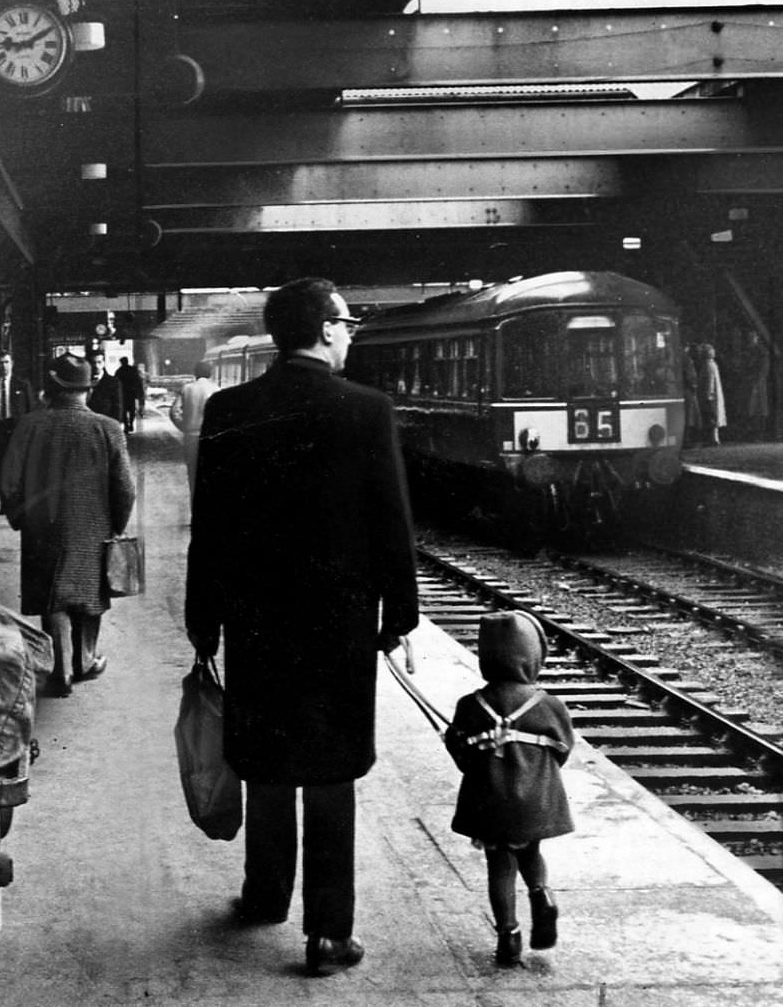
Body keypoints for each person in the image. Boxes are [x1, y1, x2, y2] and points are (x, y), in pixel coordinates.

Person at [185, 277, 419, 977]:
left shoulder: (232, 407)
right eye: (346, 322)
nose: (350, 334)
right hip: (338, 624)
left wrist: (204, 620)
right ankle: (327, 931)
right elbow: (391, 523)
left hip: (257, 618)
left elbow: (212, 529)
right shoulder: (367, 410)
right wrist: (399, 614)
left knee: (268, 758)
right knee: (329, 769)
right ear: (321, 328)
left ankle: (264, 894)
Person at [443, 610, 576, 968]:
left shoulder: (470, 705)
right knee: (530, 850)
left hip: (490, 803)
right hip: (536, 799)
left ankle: (508, 938)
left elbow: (463, 758)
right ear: (533, 657)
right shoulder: (549, 704)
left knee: (499, 863)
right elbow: (563, 748)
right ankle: (541, 895)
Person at [0, 352, 137, 697]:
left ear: (53, 388)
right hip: (93, 525)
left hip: (41, 526)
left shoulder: (29, 425)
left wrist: (20, 518)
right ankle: (85, 661)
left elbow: (10, 479)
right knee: (89, 595)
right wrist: (116, 526)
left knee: (52, 596)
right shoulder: (108, 428)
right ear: (87, 391)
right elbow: (124, 486)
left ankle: (60, 668)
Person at [0, 351, 36, 482]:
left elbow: (31, 410)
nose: (3, 366)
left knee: (17, 468)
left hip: (17, 430)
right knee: (0, 469)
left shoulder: (22, 384)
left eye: (6, 362)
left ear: (12, 364)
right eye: (0, 363)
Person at [170, 359, 219, 491]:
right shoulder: (217, 390)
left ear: (195, 373)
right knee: (209, 474)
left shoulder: (187, 388)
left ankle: (194, 505)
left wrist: (184, 426)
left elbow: (174, 411)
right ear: (210, 374)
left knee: (192, 475)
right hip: (211, 437)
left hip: (190, 436)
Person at [693, 342, 726, 445]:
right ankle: (714, 438)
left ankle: (713, 439)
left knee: (710, 417)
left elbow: (709, 382)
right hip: (712, 395)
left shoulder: (708, 365)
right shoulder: (712, 364)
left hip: (710, 396)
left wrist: (708, 395)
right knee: (712, 417)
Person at [88, 352, 124, 423]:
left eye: (99, 362)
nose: (96, 365)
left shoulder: (113, 382)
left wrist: (114, 427)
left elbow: (118, 407)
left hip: (106, 424)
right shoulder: (83, 381)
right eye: (93, 363)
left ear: (103, 363)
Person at [116, 356, 146, 433]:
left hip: (123, 394)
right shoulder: (133, 370)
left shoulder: (119, 371)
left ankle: (126, 426)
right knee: (132, 410)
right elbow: (138, 381)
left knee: (124, 411)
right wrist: (139, 393)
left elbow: (116, 383)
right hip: (131, 393)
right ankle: (131, 424)